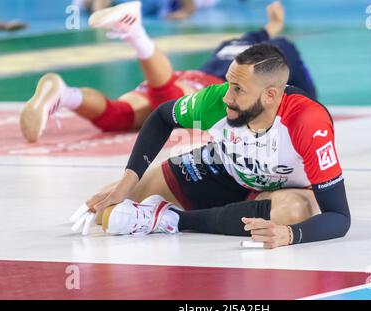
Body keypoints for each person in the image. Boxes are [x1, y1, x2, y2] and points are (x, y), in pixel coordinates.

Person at [71, 43, 350, 249]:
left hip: (282, 189)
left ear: (270, 95)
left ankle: (170, 220)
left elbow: (338, 217)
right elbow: (160, 118)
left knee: (294, 213)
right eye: (229, 84)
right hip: (225, 167)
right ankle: (161, 209)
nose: (227, 97)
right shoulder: (216, 100)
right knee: (103, 210)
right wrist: (127, 182)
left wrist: (290, 235)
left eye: (239, 89)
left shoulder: (306, 121)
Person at [20, 1, 316, 143]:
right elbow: (265, 38)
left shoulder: (234, 49)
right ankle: (134, 31)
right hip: (201, 85)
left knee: (119, 115)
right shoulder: (245, 63)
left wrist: (274, 23)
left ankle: (65, 94)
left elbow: (261, 33)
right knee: (171, 103)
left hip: (177, 77)